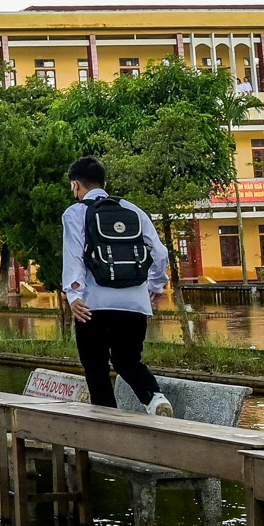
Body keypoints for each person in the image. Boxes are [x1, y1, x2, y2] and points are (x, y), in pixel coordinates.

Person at [61, 156, 174, 415]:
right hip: (134, 303)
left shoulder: (76, 212)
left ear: (75, 186)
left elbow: (74, 255)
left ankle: (107, 426)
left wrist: (73, 294)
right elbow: (159, 252)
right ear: (105, 182)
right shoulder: (133, 210)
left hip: (93, 303)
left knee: (96, 366)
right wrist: (156, 286)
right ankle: (155, 399)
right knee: (128, 361)